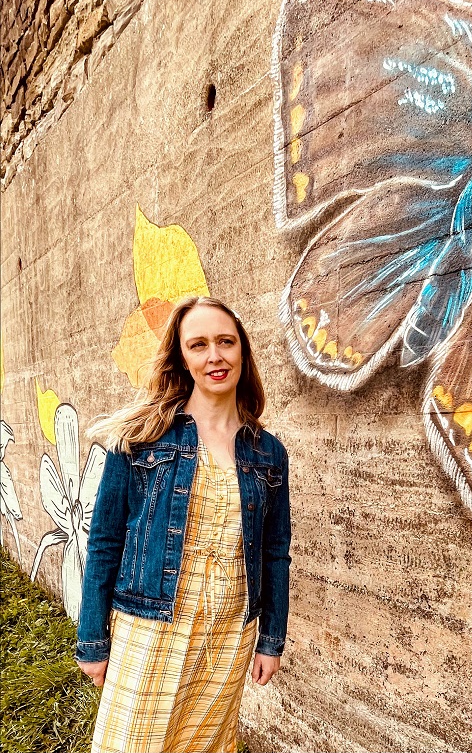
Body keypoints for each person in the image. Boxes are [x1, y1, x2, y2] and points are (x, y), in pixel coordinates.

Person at [76, 296, 291, 753]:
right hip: (151, 624)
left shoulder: (269, 453)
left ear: (242, 352)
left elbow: (275, 552)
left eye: (225, 342)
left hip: (229, 630)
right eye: (199, 345)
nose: (215, 356)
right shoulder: (141, 437)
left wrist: (270, 639)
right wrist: (92, 639)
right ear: (182, 358)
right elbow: (105, 542)